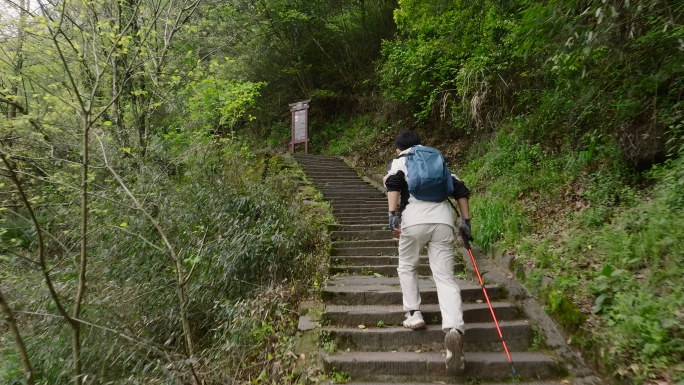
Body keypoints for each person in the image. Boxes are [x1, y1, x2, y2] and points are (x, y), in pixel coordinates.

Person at [383, 131, 473, 375]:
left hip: (413, 221)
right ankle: (454, 327)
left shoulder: (401, 161)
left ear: (399, 148)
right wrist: (465, 222)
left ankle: (414, 313)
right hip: (443, 221)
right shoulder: (437, 160)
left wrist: (393, 216)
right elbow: (460, 189)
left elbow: (393, 183)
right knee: (445, 277)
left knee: (407, 266)